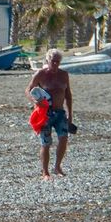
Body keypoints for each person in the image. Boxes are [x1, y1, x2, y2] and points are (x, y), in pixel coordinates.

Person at [25, 48, 73, 179]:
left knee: (63, 138)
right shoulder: (40, 74)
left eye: (58, 62)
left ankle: (57, 167)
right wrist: (35, 100)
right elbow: (28, 90)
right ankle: (45, 172)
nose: (56, 64)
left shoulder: (64, 75)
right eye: (53, 61)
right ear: (48, 60)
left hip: (60, 113)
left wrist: (70, 115)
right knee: (46, 143)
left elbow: (68, 95)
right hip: (45, 113)